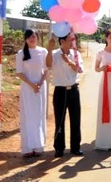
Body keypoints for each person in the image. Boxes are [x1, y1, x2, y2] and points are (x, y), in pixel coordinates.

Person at [46, 33, 84, 158]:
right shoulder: (55, 54)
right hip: (60, 91)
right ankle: (59, 148)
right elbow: (48, 64)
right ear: (62, 41)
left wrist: (69, 62)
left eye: (73, 40)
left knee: (75, 119)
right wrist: (50, 49)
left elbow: (79, 69)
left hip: (73, 90)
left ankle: (75, 147)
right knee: (60, 120)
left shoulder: (76, 54)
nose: (72, 42)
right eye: (70, 40)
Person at [15, 29, 48, 158]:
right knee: (28, 116)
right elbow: (19, 72)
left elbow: (46, 70)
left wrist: (39, 83)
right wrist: (31, 84)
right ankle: (27, 147)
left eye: (34, 36)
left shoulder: (43, 51)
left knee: (39, 115)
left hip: (40, 87)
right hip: (28, 88)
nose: (32, 39)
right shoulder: (21, 53)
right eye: (29, 37)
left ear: (37, 38)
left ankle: (39, 146)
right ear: (25, 39)